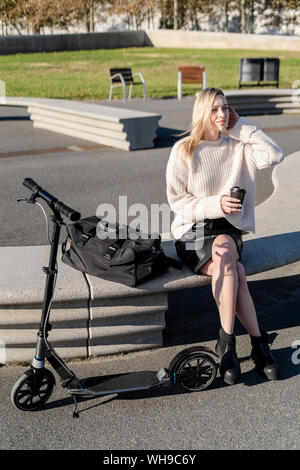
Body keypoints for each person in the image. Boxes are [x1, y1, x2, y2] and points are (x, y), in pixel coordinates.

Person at [166, 87, 285, 385]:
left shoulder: (239, 145)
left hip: (227, 229)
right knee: (237, 270)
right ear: (202, 113)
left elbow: (275, 154)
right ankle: (258, 345)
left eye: (226, 108)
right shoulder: (184, 150)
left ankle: (228, 343)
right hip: (192, 230)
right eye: (215, 109)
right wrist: (214, 203)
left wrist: (242, 124)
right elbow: (176, 201)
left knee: (228, 258)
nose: (223, 114)